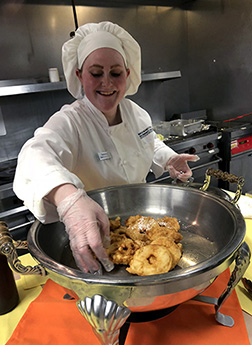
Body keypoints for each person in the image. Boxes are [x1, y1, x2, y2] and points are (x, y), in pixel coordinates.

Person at [13, 21, 199, 274]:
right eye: (96, 73)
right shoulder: (70, 121)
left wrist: (168, 158)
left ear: (128, 74)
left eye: (115, 73)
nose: (107, 83)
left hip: (141, 221)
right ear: (80, 75)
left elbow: (148, 142)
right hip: (92, 234)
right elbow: (33, 156)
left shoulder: (137, 113)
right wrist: (70, 202)